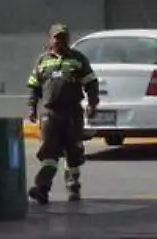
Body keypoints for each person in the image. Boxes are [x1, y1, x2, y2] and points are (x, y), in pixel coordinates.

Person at [26, 23, 99, 205]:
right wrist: (32, 107)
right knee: (49, 152)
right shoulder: (43, 60)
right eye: (57, 38)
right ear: (50, 40)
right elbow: (34, 86)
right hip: (50, 114)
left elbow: (91, 83)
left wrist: (92, 103)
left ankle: (73, 187)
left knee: (72, 151)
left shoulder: (78, 59)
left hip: (72, 113)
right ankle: (42, 189)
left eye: (63, 38)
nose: (60, 41)